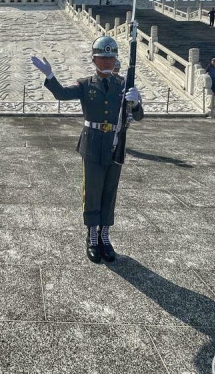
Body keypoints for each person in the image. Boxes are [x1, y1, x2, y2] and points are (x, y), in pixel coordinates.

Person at [31, 36, 143, 264]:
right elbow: (62, 94)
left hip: (114, 143)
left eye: (111, 58)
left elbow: (138, 116)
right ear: (94, 59)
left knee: (109, 192)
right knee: (92, 191)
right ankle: (92, 236)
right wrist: (50, 76)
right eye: (103, 58)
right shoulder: (85, 85)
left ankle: (105, 235)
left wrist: (138, 101)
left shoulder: (123, 85)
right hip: (92, 144)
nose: (107, 62)